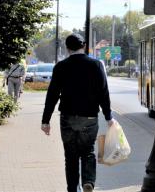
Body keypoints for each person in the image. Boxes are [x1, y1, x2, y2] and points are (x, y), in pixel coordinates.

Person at [41, 34, 115, 192]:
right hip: (89, 118)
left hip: (67, 118)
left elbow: (52, 95)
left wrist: (45, 121)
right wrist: (109, 117)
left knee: (71, 156)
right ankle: (88, 181)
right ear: (85, 46)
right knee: (88, 152)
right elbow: (104, 93)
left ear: (67, 48)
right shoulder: (96, 65)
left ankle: (73, 189)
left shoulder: (61, 66)